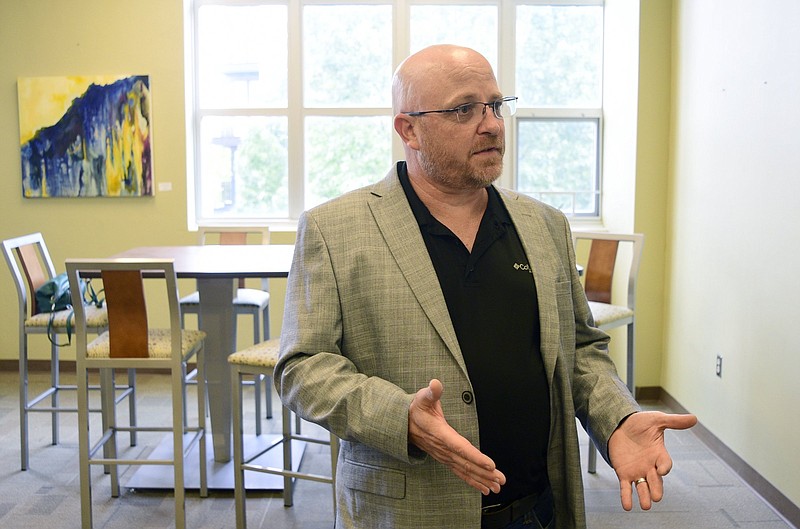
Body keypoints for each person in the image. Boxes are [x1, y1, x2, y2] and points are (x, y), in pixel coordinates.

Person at [274, 44, 697, 529]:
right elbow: (303, 368)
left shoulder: (544, 225)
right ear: (408, 128)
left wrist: (617, 419)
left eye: (495, 105)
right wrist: (401, 418)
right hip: (409, 512)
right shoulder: (335, 229)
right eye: (463, 109)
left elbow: (580, 350)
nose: (492, 124)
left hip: (536, 508)